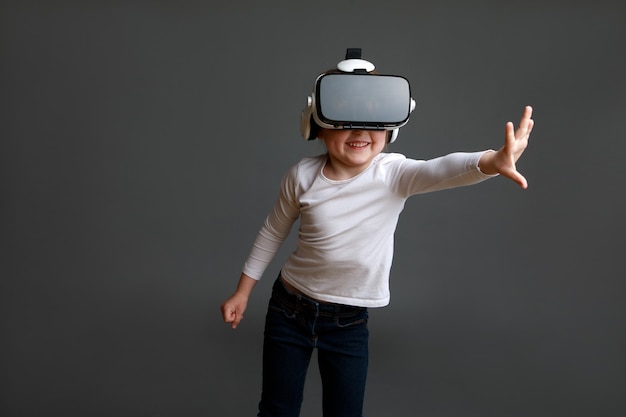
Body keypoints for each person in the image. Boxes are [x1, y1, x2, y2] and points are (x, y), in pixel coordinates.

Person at [220, 48, 534, 417]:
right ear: (316, 127)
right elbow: (272, 232)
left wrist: (491, 162)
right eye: (344, 119)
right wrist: (243, 292)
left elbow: (443, 169)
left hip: (348, 322)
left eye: (372, 120)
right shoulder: (301, 176)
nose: (359, 131)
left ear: (391, 129)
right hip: (289, 309)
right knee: (277, 409)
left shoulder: (393, 174)